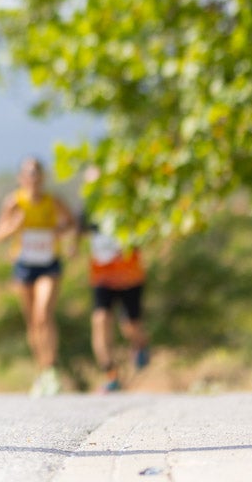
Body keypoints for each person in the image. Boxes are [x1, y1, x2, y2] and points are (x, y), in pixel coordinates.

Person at [0, 156, 77, 396]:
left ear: (43, 178)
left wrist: (58, 232)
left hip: (49, 263)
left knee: (43, 314)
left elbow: (71, 224)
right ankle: (41, 372)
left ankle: (51, 368)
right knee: (32, 321)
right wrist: (15, 226)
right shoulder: (13, 202)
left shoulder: (53, 201)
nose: (33, 179)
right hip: (24, 265)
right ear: (21, 178)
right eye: (29, 174)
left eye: (37, 174)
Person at [79, 166, 150, 393]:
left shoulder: (125, 207)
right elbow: (76, 234)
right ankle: (110, 374)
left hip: (129, 277)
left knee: (131, 327)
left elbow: (144, 231)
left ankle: (140, 345)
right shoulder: (88, 210)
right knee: (100, 321)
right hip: (102, 278)